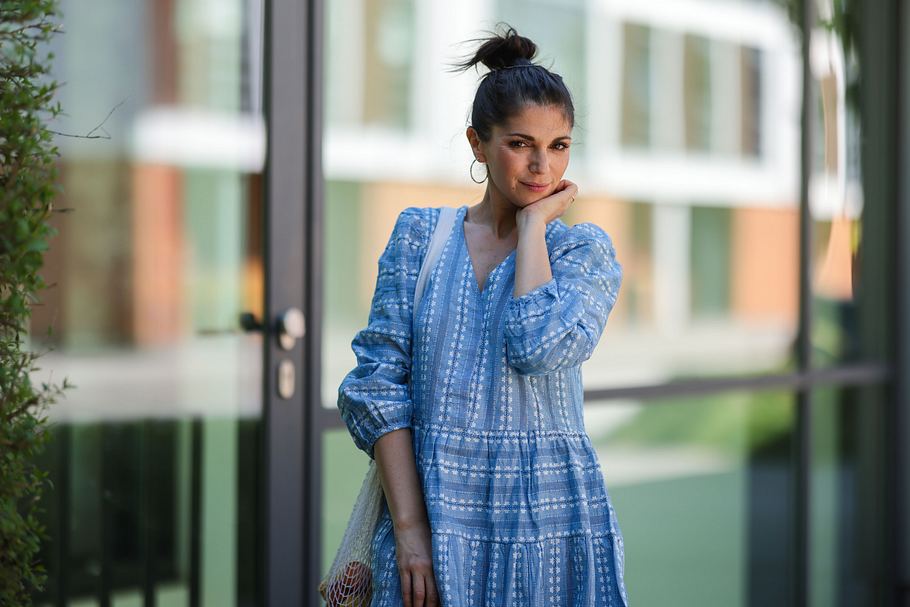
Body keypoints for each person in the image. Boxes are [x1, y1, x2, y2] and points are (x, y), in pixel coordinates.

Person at [337, 24, 629, 607]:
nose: (542, 166)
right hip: (430, 511)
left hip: (547, 519)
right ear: (477, 143)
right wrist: (411, 530)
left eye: (560, 145)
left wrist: (532, 230)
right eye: (521, 143)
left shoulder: (583, 252)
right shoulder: (419, 236)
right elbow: (375, 388)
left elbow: (537, 346)